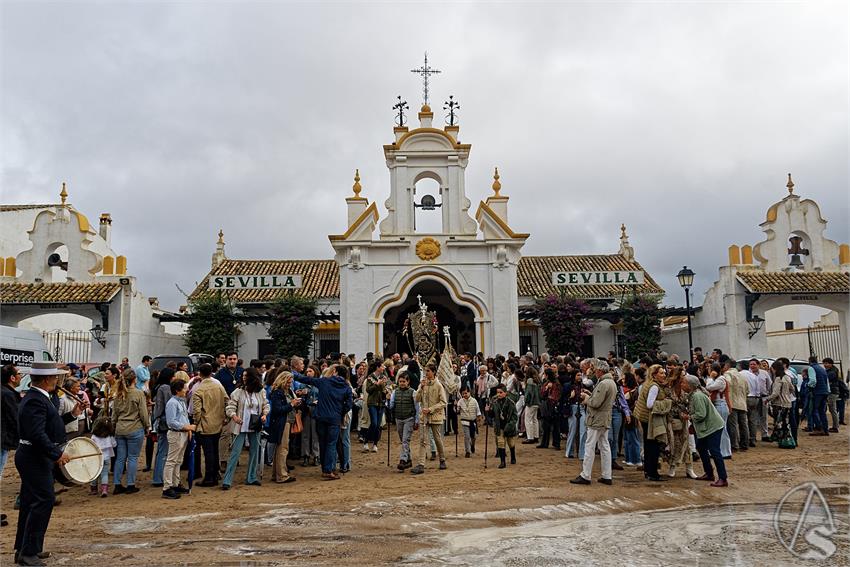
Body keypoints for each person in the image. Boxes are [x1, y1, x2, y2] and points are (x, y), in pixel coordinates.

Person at [14, 362, 83, 567]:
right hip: (34, 457)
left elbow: (48, 424)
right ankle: (28, 552)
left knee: (30, 502)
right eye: (54, 377)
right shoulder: (36, 400)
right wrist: (56, 454)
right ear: (46, 380)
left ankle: (24, 549)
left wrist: (72, 414)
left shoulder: (37, 398)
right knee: (43, 501)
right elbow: (37, 433)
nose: (57, 381)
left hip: (33, 456)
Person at [290, 364, 352, 480]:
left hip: (321, 416)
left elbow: (307, 379)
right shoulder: (346, 387)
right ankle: (329, 469)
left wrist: (293, 374)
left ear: (335, 372)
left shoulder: (325, 381)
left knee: (323, 443)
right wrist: (340, 412)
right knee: (331, 444)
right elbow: (348, 405)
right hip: (334, 418)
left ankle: (326, 468)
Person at [570, 359, 617, 486]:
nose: (594, 372)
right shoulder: (610, 382)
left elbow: (595, 403)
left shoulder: (603, 383)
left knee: (590, 446)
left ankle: (586, 475)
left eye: (596, 370)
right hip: (605, 418)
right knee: (604, 446)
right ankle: (607, 475)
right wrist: (591, 396)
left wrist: (587, 398)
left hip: (597, 418)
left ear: (600, 371)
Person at [222, 368, 269, 489]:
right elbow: (230, 406)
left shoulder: (260, 391)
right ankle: (227, 480)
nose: (243, 378)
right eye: (243, 376)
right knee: (235, 453)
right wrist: (234, 416)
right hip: (240, 425)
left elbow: (265, 405)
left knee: (254, 452)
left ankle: (251, 477)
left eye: (246, 376)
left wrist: (264, 415)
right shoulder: (238, 391)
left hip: (255, 425)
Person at [683, 375, 728, 487]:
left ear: (690, 385)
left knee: (714, 451)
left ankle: (723, 478)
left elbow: (701, 414)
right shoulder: (694, 395)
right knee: (701, 448)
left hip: (713, 427)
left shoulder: (697, 396)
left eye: (683, 383)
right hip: (706, 427)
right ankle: (709, 473)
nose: (682, 384)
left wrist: (689, 417)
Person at [111, 368, 150, 494]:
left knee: (120, 458)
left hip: (120, 428)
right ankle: (130, 484)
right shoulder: (138, 394)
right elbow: (143, 413)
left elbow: (114, 415)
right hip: (134, 428)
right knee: (133, 457)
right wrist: (147, 426)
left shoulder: (118, 394)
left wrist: (114, 426)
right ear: (134, 379)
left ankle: (117, 484)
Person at [192, 363, 228, 487]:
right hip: (218, 421)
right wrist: (224, 416)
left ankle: (209, 477)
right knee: (215, 450)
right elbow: (226, 400)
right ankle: (215, 474)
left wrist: (196, 423)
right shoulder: (218, 385)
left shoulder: (199, 390)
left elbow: (196, 411)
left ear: (200, 374)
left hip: (205, 424)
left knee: (208, 452)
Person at [410, 364, 447, 475]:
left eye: (429, 371)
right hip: (424, 417)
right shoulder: (423, 384)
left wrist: (431, 409)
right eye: (426, 371)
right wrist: (420, 388)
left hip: (435, 416)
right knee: (423, 440)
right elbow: (416, 399)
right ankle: (421, 464)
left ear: (434, 372)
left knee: (437, 439)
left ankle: (442, 459)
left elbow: (443, 402)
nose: (426, 373)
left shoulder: (439, 385)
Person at [633, 364, 667, 482]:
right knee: (653, 446)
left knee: (648, 445)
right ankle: (653, 473)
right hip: (650, 419)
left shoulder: (648, 383)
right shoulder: (654, 386)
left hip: (644, 418)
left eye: (664, 372)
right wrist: (665, 403)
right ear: (654, 375)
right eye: (661, 373)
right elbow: (650, 404)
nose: (664, 375)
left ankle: (648, 471)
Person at [162, 378, 194, 499]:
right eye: (184, 388)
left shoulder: (181, 401)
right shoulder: (172, 403)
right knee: (171, 461)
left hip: (183, 433)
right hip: (176, 433)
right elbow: (171, 422)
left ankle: (175, 484)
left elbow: (183, 417)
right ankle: (167, 487)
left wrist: (188, 429)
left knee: (178, 460)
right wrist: (187, 427)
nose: (186, 390)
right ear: (177, 390)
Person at [267, 371, 301, 483]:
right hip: (282, 422)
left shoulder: (287, 391)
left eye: (291, 382)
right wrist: (291, 404)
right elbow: (277, 410)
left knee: (280, 448)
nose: (290, 384)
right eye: (288, 382)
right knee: (283, 448)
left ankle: (276, 474)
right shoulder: (278, 392)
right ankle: (281, 475)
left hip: (286, 421)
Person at [1, 364, 21, 527]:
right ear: (12, 378)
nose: (21, 376)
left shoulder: (5, 392)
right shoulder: (7, 394)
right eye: (18, 374)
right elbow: (14, 419)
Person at [150, 364, 175, 487]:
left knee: (161, 450)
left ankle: (158, 476)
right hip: (165, 422)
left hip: (161, 421)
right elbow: (165, 406)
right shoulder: (166, 389)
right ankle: (159, 478)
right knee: (164, 451)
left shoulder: (159, 387)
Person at [390, 372, 419, 469]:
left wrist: (417, 420)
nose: (402, 383)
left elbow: (417, 407)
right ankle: (408, 460)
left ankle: (403, 459)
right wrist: (387, 401)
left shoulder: (413, 392)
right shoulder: (395, 392)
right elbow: (391, 405)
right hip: (398, 418)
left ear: (408, 382)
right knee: (403, 440)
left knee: (405, 440)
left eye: (404, 381)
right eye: (400, 381)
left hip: (409, 418)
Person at [765, 360, 795, 449]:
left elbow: (775, 393)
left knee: (780, 423)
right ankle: (788, 441)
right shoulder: (787, 377)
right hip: (787, 403)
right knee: (786, 423)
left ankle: (782, 441)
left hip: (779, 404)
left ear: (775, 369)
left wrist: (768, 399)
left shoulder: (778, 379)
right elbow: (792, 388)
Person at [488, 384, 519, 469]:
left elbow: (514, 417)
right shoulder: (494, 402)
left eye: (501, 392)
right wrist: (488, 411)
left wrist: (510, 425)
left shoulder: (511, 403)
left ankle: (513, 456)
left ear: (505, 393)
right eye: (498, 392)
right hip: (499, 426)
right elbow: (492, 415)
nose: (499, 394)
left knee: (511, 443)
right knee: (501, 443)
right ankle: (502, 462)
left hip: (509, 426)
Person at [723, 357, 750, 452]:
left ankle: (734, 445)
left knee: (733, 425)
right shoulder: (741, 375)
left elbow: (727, 383)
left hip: (732, 402)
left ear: (727, 365)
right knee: (743, 425)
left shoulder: (727, 374)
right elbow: (748, 390)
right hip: (742, 403)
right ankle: (745, 444)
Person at [364, 360, 388, 453]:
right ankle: (366, 441)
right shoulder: (370, 377)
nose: (383, 368)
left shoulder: (384, 377)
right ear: (378, 367)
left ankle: (375, 444)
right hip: (372, 402)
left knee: (378, 425)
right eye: (382, 366)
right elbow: (368, 390)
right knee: (373, 423)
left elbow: (385, 389)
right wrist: (376, 385)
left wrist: (384, 387)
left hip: (381, 403)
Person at [89, 413, 116, 498]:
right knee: (104, 473)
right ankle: (104, 489)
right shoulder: (109, 436)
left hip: (96, 458)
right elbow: (114, 444)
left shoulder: (94, 437)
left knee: (94, 473)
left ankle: (93, 489)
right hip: (106, 457)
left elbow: (91, 446)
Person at [536, 367, 561, 450]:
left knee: (555, 426)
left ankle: (556, 443)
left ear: (547, 375)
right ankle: (545, 443)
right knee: (546, 425)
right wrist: (547, 389)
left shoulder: (555, 384)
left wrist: (549, 389)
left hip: (552, 406)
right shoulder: (548, 383)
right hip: (547, 406)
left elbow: (555, 396)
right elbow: (542, 393)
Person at [808, 356, 830, 436]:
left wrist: (809, 385)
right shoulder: (822, 369)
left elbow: (813, 380)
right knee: (822, 411)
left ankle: (819, 428)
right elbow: (826, 381)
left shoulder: (811, 368)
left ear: (810, 361)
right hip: (825, 392)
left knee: (814, 410)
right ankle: (825, 429)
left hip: (817, 392)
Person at [456, 386, 480, 458]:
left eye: (466, 393)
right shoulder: (460, 401)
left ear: (469, 392)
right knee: (467, 436)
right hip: (464, 421)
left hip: (473, 421)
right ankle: (467, 451)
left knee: (474, 436)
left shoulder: (474, 401)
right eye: (463, 394)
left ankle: (472, 445)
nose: (464, 395)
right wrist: (456, 406)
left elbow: (477, 410)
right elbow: (457, 411)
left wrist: (478, 416)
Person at [522, 367, 541, 445]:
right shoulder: (537, 380)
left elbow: (528, 393)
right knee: (534, 419)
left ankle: (530, 437)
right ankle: (536, 436)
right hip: (537, 402)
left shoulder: (529, 380)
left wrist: (526, 401)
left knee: (528, 419)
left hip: (531, 402)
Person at [823, 358, 840, 432]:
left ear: (831, 363)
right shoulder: (831, 370)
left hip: (833, 392)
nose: (825, 365)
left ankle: (835, 427)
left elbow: (826, 378)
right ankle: (835, 426)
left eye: (826, 363)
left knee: (833, 409)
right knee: (832, 409)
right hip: (832, 391)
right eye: (824, 363)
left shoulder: (832, 371)